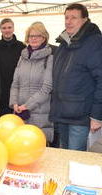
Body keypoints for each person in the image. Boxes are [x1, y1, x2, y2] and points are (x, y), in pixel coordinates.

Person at [49, 3, 102, 151]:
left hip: (80, 117)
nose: (68, 21)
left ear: (85, 20)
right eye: (66, 17)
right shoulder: (63, 45)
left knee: (75, 158)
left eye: (74, 18)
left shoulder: (94, 43)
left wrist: (97, 116)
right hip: (62, 114)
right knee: (65, 155)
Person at [9, 22, 54, 143]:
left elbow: (46, 88)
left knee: (38, 149)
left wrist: (26, 106)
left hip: (39, 113)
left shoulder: (49, 58)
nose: (33, 38)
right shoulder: (22, 57)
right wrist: (14, 103)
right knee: (21, 148)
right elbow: (15, 83)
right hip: (19, 112)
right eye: (31, 36)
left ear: (44, 37)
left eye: (37, 36)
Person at [0, 18, 26, 116]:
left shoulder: (22, 47)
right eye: (4, 28)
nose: (7, 30)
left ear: (13, 28)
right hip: (2, 95)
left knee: (19, 122)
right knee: (5, 121)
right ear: (0, 30)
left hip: (19, 94)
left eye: (9, 27)